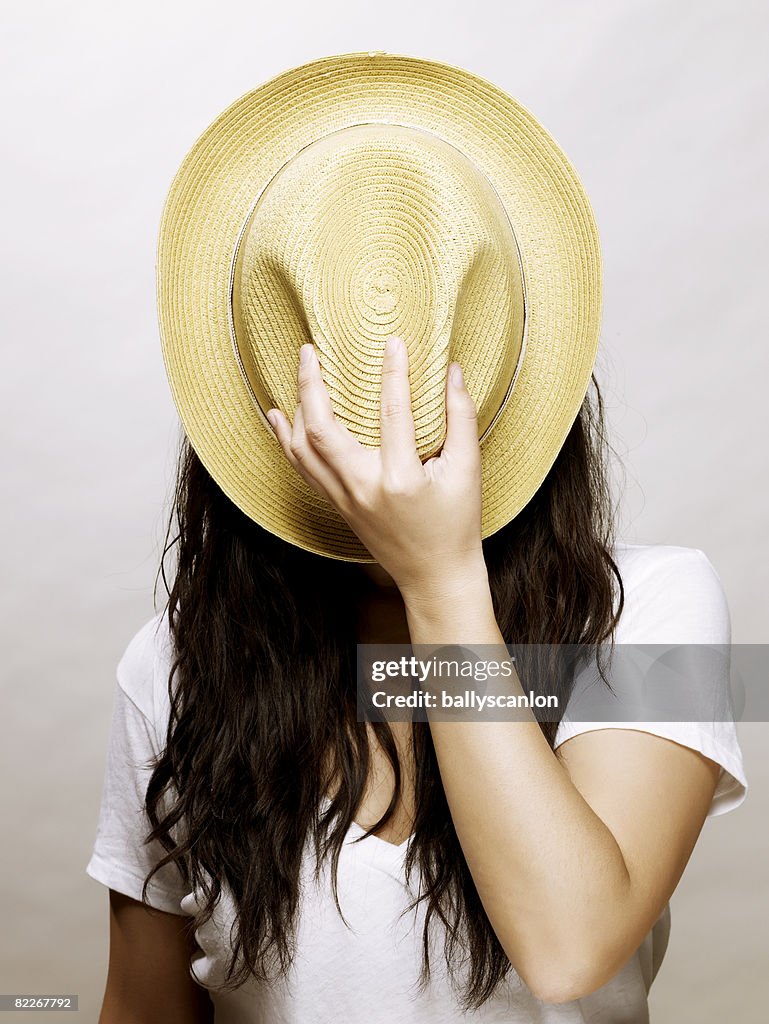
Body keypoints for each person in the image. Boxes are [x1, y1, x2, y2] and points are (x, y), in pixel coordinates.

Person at [87, 337, 747, 1023]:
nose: (388, 442)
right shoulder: (174, 659)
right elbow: (143, 1007)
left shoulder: (652, 608)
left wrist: (439, 580)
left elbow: (569, 948)